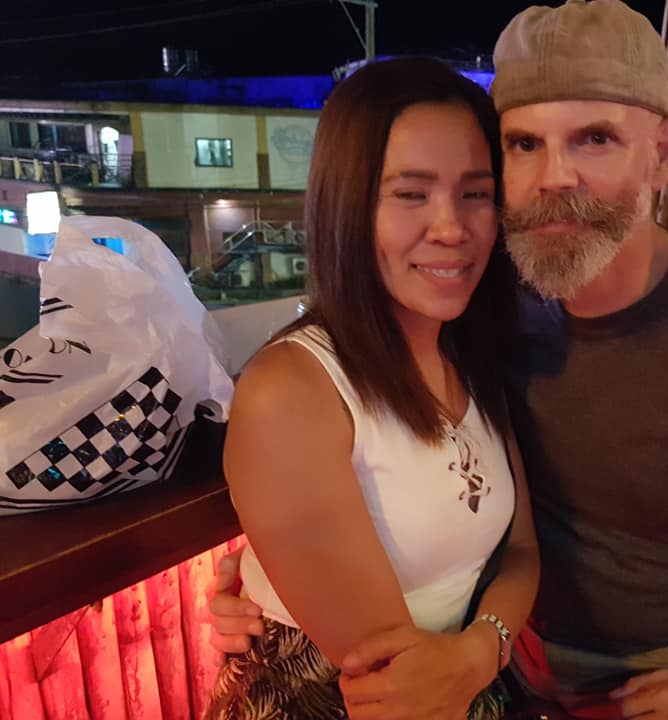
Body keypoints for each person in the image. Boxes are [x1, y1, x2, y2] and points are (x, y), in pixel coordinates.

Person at [210, 2, 668, 719]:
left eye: (594, 138)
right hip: (510, 673)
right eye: (523, 144)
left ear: (662, 153)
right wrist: (274, 580)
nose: (555, 177)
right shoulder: (481, 297)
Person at [203, 56, 539, 720]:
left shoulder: (470, 354)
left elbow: (523, 553)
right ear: (348, 206)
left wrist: (482, 648)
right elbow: (394, 683)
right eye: (411, 194)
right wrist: (483, 652)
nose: (452, 227)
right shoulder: (292, 389)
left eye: (475, 194)